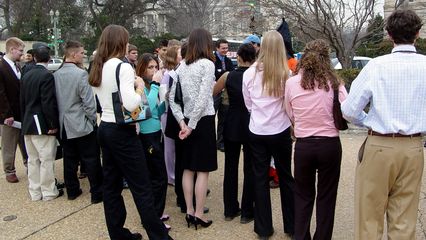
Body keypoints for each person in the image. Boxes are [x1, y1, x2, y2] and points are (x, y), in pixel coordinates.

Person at [341, 9, 426, 240]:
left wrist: (368, 121)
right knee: (405, 221)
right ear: (417, 34)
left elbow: (348, 111)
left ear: (388, 34)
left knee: (369, 218)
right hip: (413, 147)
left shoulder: (376, 66)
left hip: (379, 144)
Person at [88, 24, 171, 240]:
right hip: (121, 131)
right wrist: (140, 86)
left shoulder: (99, 65)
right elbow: (132, 103)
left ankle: (118, 234)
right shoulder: (122, 67)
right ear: (121, 43)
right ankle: (159, 236)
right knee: (141, 186)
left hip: (104, 127)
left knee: (112, 185)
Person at [284, 39, 347, 240]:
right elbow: (346, 110)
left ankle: (301, 236)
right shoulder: (335, 83)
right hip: (329, 144)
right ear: (326, 59)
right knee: (326, 197)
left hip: (304, 145)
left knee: (302, 196)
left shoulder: (292, 83)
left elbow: (289, 112)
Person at [242, 30, 295, 240]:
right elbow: (289, 104)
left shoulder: (250, 73)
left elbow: (248, 104)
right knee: (286, 177)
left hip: (257, 130)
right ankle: (291, 225)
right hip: (280, 129)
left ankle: (263, 228)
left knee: (259, 178)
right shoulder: (286, 74)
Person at [169, 28, 217, 230]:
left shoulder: (181, 67)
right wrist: (191, 126)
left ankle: (189, 211)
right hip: (202, 121)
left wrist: (182, 122)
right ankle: (198, 214)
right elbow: (204, 96)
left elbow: (172, 98)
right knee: (202, 170)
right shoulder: (207, 64)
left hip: (186, 120)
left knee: (188, 168)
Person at [54, 40, 103, 203]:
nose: (84, 55)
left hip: (64, 125)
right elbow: (89, 103)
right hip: (81, 123)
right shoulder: (81, 74)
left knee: (70, 159)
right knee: (91, 158)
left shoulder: (56, 74)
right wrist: (92, 121)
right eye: (82, 53)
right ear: (73, 55)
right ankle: (97, 193)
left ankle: (72, 191)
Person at [213, 43, 256, 224]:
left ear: (238, 57)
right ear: (254, 58)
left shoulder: (227, 75)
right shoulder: (255, 76)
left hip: (231, 122)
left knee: (230, 167)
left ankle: (230, 209)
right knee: (250, 168)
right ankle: (247, 211)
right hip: (251, 123)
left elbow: (213, 92)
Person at [20, 45, 63, 201]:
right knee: (46, 160)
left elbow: (22, 102)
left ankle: (35, 191)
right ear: (49, 58)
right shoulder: (46, 76)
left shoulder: (26, 75)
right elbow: (48, 103)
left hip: (27, 123)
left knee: (32, 160)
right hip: (41, 124)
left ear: (35, 58)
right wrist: (52, 124)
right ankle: (48, 191)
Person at [135, 53, 170, 229]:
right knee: (157, 177)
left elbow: (156, 110)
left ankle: (156, 213)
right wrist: (156, 84)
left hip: (156, 133)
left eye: (156, 67)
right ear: (141, 68)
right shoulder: (139, 85)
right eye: (150, 67)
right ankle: (153, 218)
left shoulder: (151, 85)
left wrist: (166, 99)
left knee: (157, 176)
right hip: (146, 136)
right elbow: (143, 108)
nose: (154, 71)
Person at [0, 37, 28, 183]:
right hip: (8, 114)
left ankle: (27, 163)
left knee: (24, 141)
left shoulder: (17, 66)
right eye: (20, 51)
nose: (22, 54)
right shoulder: (2, 66)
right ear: (12, 49)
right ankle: (9, 170)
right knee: (9, 143)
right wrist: (7, 114)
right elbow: (1, 93)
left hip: (21, 112)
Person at [214, 38, 235, 152]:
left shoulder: (228, 61)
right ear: (217, 48)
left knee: (223, 118)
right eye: (223, 48)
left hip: (225, 94)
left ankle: (220, 142)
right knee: (209, 118)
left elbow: (231, 74)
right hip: (214, 93)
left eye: (226, 48)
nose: (225, 50)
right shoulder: (212, 60)